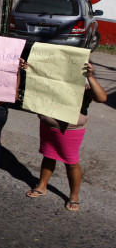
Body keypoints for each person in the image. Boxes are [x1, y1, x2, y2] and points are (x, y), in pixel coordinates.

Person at [25, 62, 107, 211]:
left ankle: (74, 196)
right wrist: (30, 70)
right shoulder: (53, 74)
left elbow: (101, 98)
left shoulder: (84, 80)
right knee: (48, 155)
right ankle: (42, 186)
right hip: (48, 125)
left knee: (71, 162)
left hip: (70, 130)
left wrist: (90, 77)